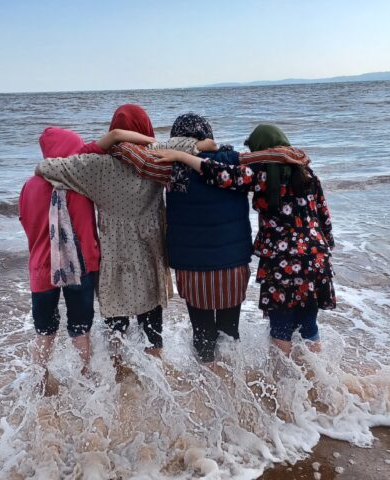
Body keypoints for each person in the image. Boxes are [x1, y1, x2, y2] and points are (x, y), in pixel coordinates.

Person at [109, 116, 312, 366]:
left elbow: (134, 156)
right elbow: (285, 154)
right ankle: (231, 384)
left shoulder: (168, 168)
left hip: (192, 267)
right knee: (229, 331)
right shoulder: (234, 162)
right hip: (233, 263)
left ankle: (208, 391)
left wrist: (162, 146)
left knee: (202, 334)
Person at [34, 105, 204, 369]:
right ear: (145, 128)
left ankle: (120, 387)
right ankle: (156, 381)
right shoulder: (158, 158)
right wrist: (154, 141)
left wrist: (106, 142)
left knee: (116, 334)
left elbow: (45, 167)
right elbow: (198, 145)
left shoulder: (96, 166)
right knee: (152, 331)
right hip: (150, 251)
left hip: (115, 255)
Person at [149, 124, 336, 357]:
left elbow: (216, 173)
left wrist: (180, 156)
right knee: (309, 327)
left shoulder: (261, 176)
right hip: (318, 259)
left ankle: (283, 388)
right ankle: (319, 384)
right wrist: (320, 251)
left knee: (281, 328)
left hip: (283, 263)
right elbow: (325, 221)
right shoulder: (309, 176)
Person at [20, 126, 155, 394]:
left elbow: (25, 222)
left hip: (41, 269)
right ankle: (86, 375)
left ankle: (39, 379)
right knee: (80, 327)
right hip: (80, 267)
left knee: (44, 330)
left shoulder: (29, 186)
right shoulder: (80, 181)